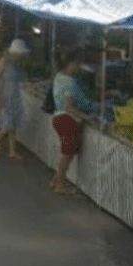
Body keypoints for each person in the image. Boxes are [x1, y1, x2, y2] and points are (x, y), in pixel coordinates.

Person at [50, 51, 96, 195]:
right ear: (71, 64)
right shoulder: (69, 82)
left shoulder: (59, 76)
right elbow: (69, 107)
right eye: (77, 64)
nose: (78, 67)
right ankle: (59, 184)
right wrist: (87, 117)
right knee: (67, 154)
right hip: (67, 120)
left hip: (58, 117)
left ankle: (56, 180)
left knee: (66, 153)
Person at [0, 39, 30, 160]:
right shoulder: (4, 61)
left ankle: (12, 151)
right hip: (5, 96)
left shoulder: (17, 64)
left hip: (14, 97)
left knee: (12, 125)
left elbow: (22, 79)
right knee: (7, 124)